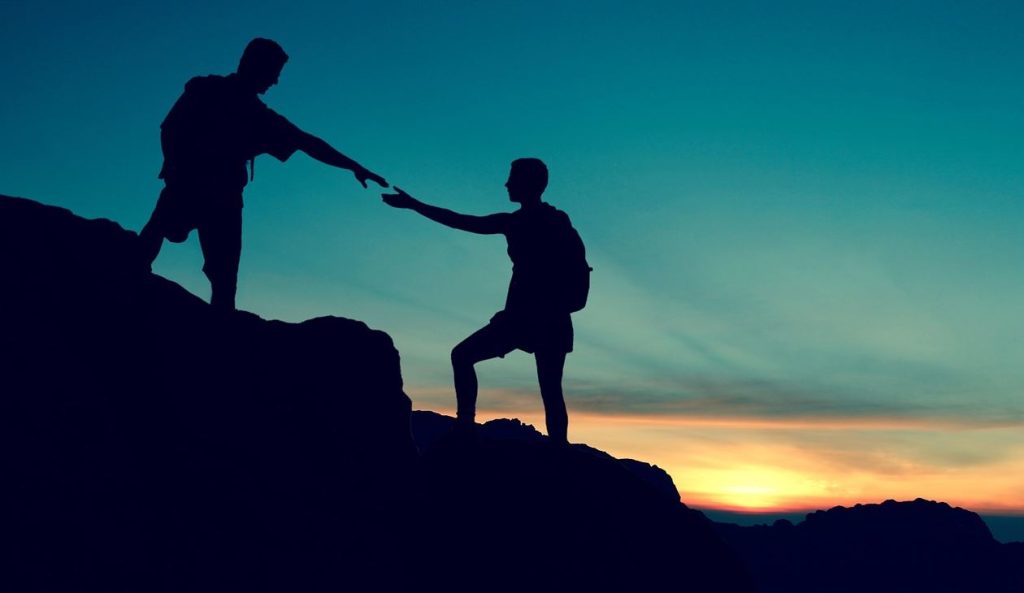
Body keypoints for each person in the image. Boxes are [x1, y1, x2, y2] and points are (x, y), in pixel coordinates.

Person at [138, 38, 387, 310]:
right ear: (253, 66)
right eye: (273, 73)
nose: (276, 82)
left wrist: (354, 166)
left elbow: (308, 142)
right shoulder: (207, 90)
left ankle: (217, 331)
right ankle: (127, 286)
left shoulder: (256, 114)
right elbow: (171, 129)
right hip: (194, 187)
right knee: (158, 243)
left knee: (223, 278)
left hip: (222, 197)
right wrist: (175, 168)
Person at [382, 158, 584, 444]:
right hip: (548, 318)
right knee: (551, 389)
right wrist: (415, 205)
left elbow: (461, 222)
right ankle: (559, 450)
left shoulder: (518, 223)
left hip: (527, 317)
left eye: (512, 177)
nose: (506, 183)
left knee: (463, 356)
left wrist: (415, 205)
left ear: (528, 183)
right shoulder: (552, 221)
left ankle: (466, 425)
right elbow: (461, 222)